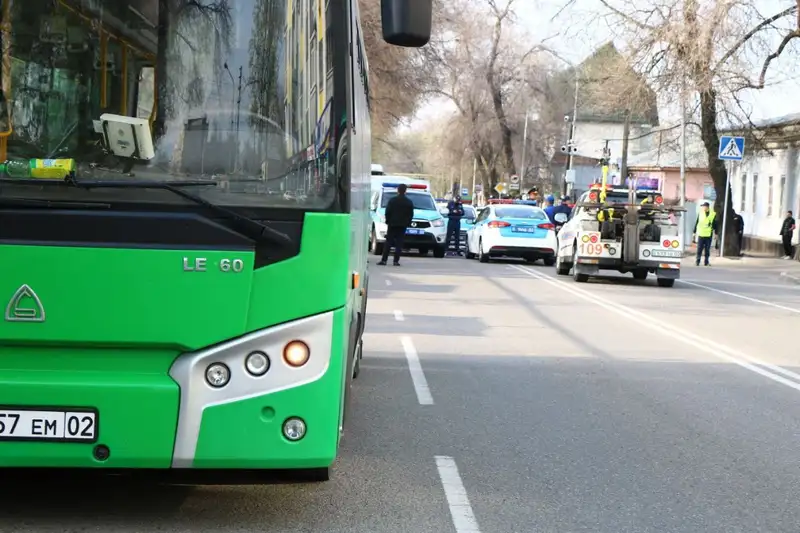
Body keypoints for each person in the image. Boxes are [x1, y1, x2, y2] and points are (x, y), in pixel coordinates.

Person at [379, 184, 414, 266]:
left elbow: (388, 212)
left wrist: (387, 221)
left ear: (397, 190)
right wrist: (407, 223)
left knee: (388, 242)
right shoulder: (408, 202)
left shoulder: (392, 200)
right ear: (405, 191)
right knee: (399, 243)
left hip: (392, 224)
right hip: (402, 225)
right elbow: (410, 214)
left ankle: (384, 260)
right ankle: (396, 261)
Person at [693, 201, 716, 266]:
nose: (703, 208)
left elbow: (715, 224)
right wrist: (694, 232)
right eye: (703, 206)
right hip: (701, 234)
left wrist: (716, 233)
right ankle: (697, 261)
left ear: (707, 207)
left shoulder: (712, 214)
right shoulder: (700, 213)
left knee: (707, 249)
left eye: (704, 206)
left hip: (709, 234)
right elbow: (697, 222)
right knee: (699, 249)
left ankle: (706, 262)